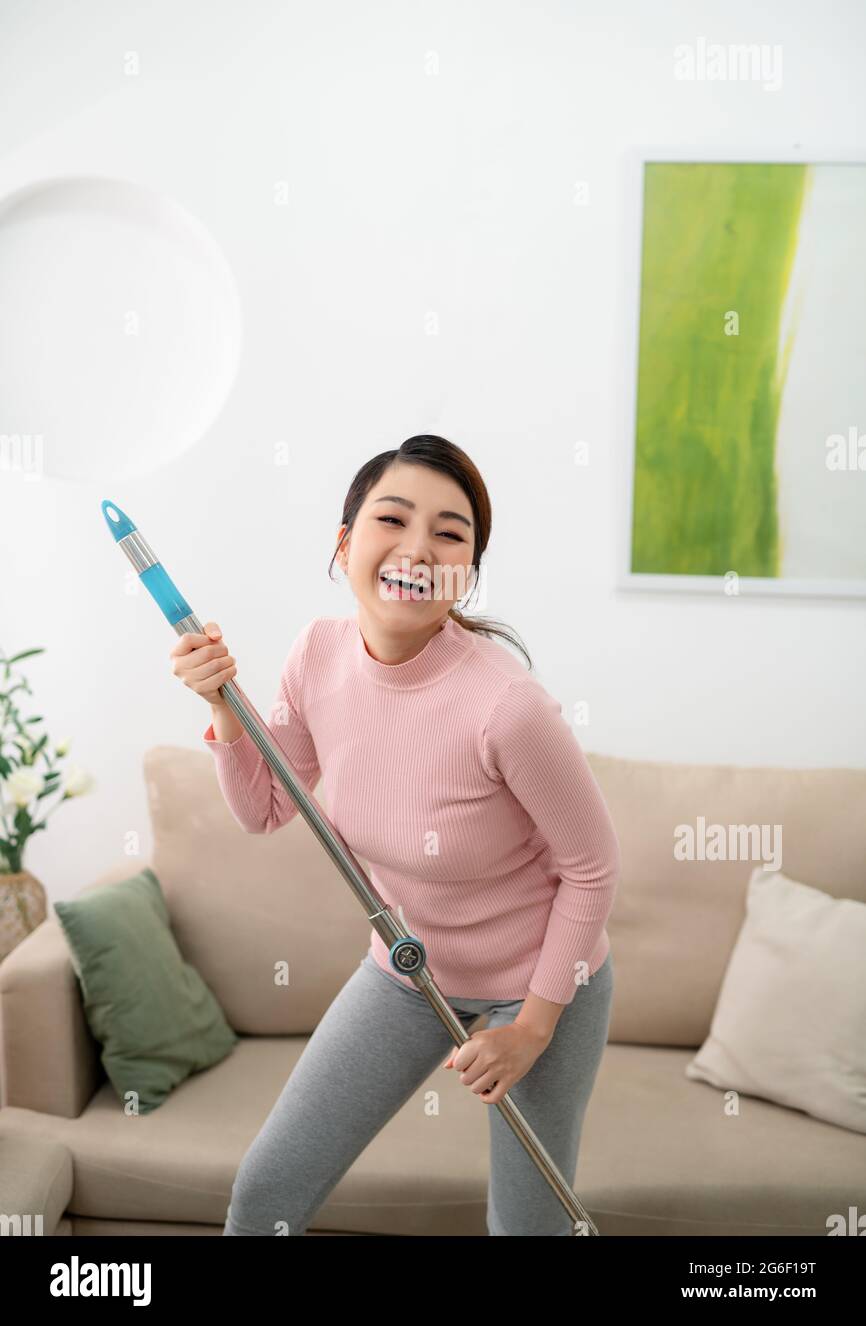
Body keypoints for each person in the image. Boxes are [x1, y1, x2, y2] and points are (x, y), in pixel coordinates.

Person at [170, 433, 620, 1236]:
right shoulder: (316, 654)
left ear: (467, 573)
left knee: (529, 1229)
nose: (418, 547)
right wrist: (222, 710)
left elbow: (591, 869)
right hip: (407, 973)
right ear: (344, 545)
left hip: (543, 985)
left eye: (450, 533)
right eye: (393, 518)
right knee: (265, 1195)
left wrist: (531, 1029)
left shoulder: (507, 707)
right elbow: (266, 809)